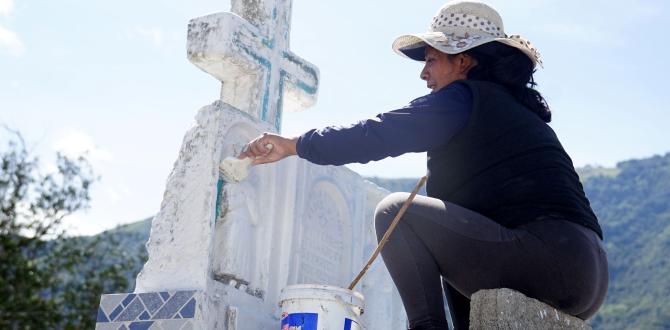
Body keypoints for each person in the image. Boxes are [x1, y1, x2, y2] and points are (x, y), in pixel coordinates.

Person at [239, 1, 608, 329]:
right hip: (586, 275)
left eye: (432, 58)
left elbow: (380, 133)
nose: (423, 72)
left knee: (398, 213)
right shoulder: (516, 114)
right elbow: (463, 245)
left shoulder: (463, 98)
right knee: (442, 226)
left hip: (546, 260)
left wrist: (295, 145)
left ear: (463, 60)